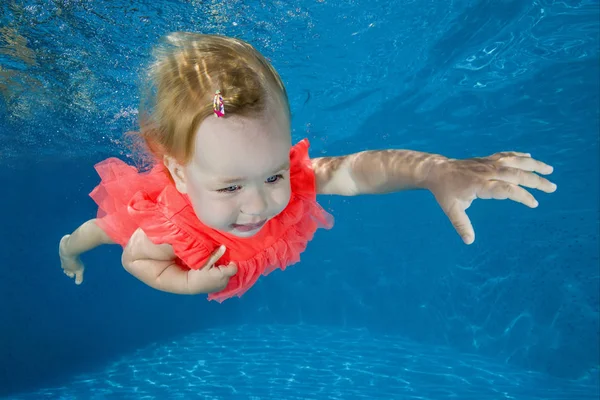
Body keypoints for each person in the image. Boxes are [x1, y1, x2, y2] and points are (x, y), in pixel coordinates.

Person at [59, 32, 557, 302]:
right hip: (158, 226)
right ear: (181, 176)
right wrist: (184, 282)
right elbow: (137, 262)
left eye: (273, 174)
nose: (260, 204)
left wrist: (433, 170)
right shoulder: (166, 231)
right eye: (231, 185)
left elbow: (359, 170)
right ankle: (67, 249)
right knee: (105, 231)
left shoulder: (288, 185)